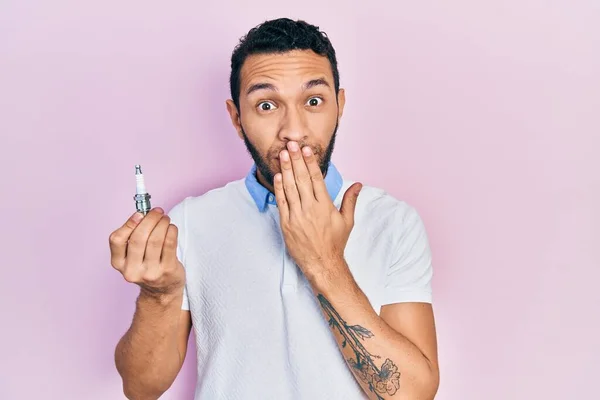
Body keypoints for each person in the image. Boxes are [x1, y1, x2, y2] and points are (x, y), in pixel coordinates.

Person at [109, 17, 440, 400]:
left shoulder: (393, 222)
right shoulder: (190, 221)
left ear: (340, 105)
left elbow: (412, 394)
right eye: (267, 105)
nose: (294, 130)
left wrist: (323, 262)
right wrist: (159, 294)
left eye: (313, 101)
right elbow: (141, 387)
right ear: (237, 119)